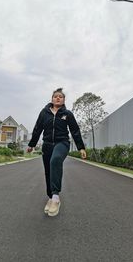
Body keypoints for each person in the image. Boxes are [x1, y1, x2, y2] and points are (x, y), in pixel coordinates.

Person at [27, 88, 86, 217]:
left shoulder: (68, 114)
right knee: (48, 171)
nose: (58, 98)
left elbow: (75, 130)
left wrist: (81, 147)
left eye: (61, 96)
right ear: (52, 99)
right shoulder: (44, 113)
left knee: (55, 160)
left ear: (64, 100)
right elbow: (37, 129)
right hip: (47, 144)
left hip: (62, 143)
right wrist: (32, 144)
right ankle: (50, 197)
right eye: (55, 96)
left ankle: (55, 197)